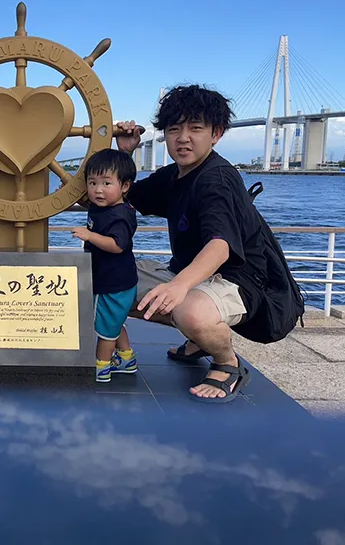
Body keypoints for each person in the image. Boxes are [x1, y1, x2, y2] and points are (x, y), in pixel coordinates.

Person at [115, 84, 301, 403]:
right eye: (174, 129)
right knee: (107, 281)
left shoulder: (217, 179)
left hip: (243, 283)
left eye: (196, 128)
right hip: (194, 275)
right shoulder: (174, 175)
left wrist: (178, 286)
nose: (183, 138)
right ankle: (199, 340)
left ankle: (227, 363)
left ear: (216, 134)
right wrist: (125, 154)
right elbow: (123, 194)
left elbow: (220, 245)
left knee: (190, 312)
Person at [72, 149, 139, 383]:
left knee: (105, 331)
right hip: (117, 280)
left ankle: (101, 367)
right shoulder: (103, 207)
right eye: (92, 183)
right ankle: (126, 358)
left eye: (106, 183)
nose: (98, 190)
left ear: (125, 186)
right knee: (114, 321)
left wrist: (89, 235)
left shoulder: (120, 216)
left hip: (113, 283)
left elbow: (117, 245)